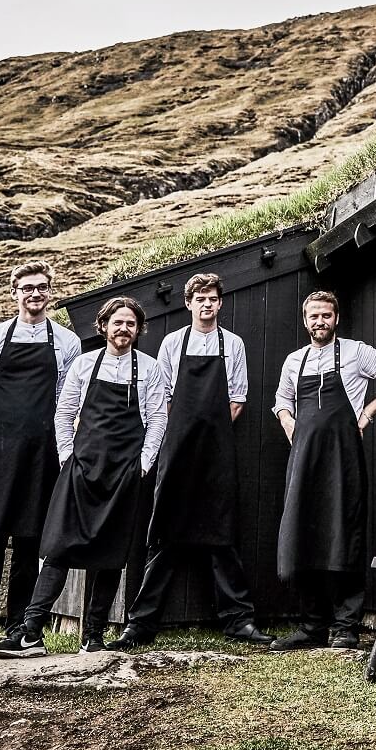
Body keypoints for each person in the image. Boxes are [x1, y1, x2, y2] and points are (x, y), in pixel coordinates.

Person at [0, 296, 168, 658]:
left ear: (138, 330)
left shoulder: (149, 369)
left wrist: (144, 465)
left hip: (124, 474)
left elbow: (158, 419)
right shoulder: (85, 365)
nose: (124, 329)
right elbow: (64, 412)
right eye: (117, 322)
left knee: (110, 553)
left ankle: (93, 637)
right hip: (81, 470)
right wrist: (68, 457)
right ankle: (30, 633)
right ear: (103, 327)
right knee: (57, 549)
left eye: (131, 324)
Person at [111, 273, 272, 649]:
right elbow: (163, 398)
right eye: (200, 298)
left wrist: (208, 431)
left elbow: (237, 400)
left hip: (217, 455)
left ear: (220, 303)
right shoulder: (172, 342)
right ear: (188, 303)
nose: (207, 304)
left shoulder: (232, 344)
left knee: (222, 538)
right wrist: (184, 433)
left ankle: (238, 621)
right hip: (176, 452)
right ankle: (141, 624)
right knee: (164, 535)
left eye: (213, 298)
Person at [0, 260, 83, 656]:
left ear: (50, 292)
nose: (35, 294)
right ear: (15, 292)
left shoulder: (66, 342)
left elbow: (66, 401)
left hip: (42, 454)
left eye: (42, 287)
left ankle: (21, 631)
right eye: (27, 287)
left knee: (29, 543)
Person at [270, 291, 376, 650]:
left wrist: (366, 414)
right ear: (305, 321)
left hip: (343, 457)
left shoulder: (355, 352)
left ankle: (345, 626)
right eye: (314, 316)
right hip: (304, 459)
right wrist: (291, 428)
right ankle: (312, 625)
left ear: (337, 318)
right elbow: (282, 402)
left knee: (344, 534)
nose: (320, 322)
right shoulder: (293, 361)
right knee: (304, 533)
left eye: (326, 316)